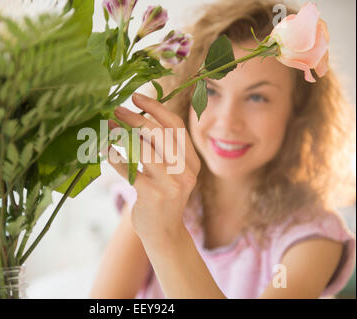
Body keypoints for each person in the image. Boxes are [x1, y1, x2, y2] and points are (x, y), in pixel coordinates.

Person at [89, 0, 356, 299]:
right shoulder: (157, 194)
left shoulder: (313, 236)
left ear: (297, 113)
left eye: (257, 98)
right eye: (211, 90)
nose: (227, 123)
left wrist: (166, 235)